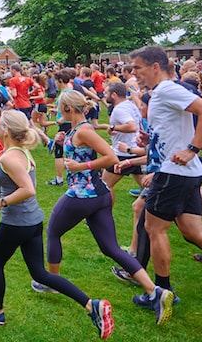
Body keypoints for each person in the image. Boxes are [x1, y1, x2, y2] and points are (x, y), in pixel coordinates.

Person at [0, 110, 114, 339]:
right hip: (32, 221)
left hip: (16, 223)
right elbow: (16, 181)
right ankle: (91, 305)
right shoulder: (21, 152)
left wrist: (1, 202)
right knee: (39, 273)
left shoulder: (9, 157)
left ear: (6, 130)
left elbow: (28, 189)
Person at [37, 90, 173, 325]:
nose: (58, 110)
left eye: (60, 106)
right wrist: (62, 140)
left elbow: (111, 157)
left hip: (82, 194)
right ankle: (156, 292)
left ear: (68, 108)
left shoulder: (84, 131)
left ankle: (53, 282)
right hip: (98, 196)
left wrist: (81, 166)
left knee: (53, 232)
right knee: (111, 248)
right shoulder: (76, 130)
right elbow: (80, 149)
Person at [131, 45, 202, 320]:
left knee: (154, 228)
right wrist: (152, 139)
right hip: (187, 173)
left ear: (155, 67)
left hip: (174, 173)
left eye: (137, 68)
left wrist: (192, 148)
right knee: (193, 231)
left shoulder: (167, 89)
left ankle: (161, 292)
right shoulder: (160, 93)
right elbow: (176, 127)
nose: (134, 73)